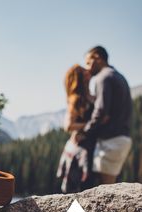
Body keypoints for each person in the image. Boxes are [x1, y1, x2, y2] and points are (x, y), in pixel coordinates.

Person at [76, 46, 132, 184]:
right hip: (122, 139)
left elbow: (100, 111)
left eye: (88, 63)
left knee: (105, 189)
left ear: (97, 57)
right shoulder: (118, 76)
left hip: (111, 141)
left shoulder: (103, 77)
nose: (87, 68)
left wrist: (85, 131)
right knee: (109, 186)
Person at [56, 64, 97, 193]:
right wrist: (91, 124)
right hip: (79, 149)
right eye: (84, 71)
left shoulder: (90, 95)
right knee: (76, 190)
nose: (88, 71)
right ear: (80, 77)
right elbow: (68, 125)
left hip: (87, 147)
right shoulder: (77, 99)